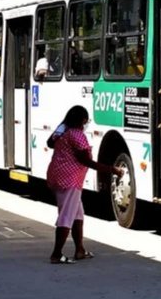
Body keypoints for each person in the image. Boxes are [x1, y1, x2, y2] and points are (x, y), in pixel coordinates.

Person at [46, 106, 123, 264]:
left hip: (58, 176)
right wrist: (111, 169)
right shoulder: (77, 135)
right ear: (81, 120)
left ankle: (79, 249)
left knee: (77, 214)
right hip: (70, 180)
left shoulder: (62, 130)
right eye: (86, 120)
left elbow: (50, 143)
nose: (86, 123)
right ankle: (56, 254)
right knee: (66, 215)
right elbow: (86, 160)